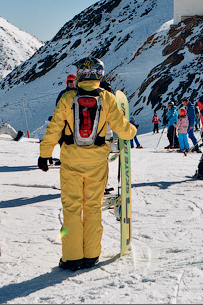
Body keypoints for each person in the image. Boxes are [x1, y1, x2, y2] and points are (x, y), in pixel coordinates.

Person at [38, 57, 136, 271]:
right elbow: (122, 128)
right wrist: (133, 131)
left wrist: (45, 153)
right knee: (92, 207)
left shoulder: (67, 97)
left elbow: (54, 127)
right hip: (97, 162)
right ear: (100, 74)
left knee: (72, 208)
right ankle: (91, 255)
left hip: (71, 160)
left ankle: (72, 258)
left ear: (80, 74)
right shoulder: (107, 98)